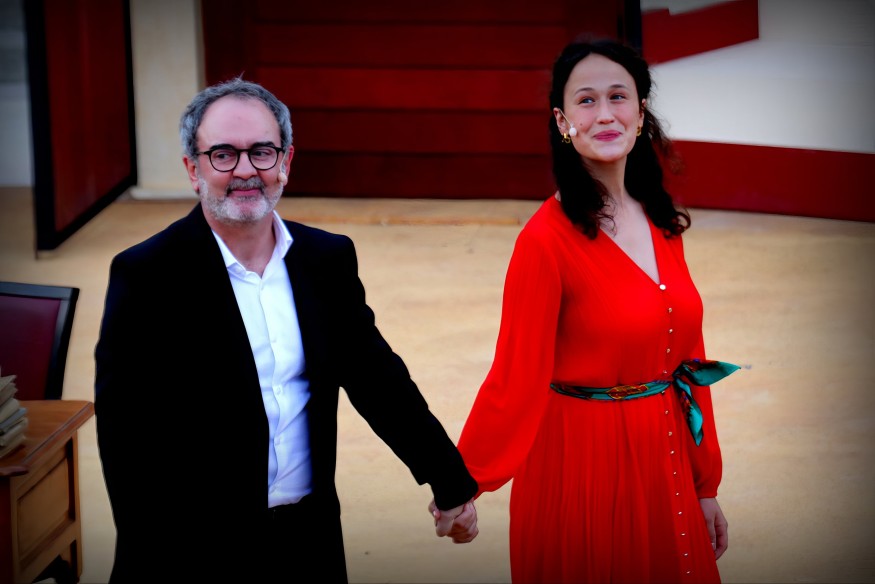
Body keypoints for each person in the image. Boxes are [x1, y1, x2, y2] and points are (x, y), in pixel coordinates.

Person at [94, 77, 478, 583]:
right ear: (193, 169)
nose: (246, 170)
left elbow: (378, 380)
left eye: (262, 152)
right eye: (223, 155)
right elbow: (124, 438)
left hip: (307, 542)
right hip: (193, 549)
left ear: (286, 161)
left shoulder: (325, 259)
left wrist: (450, 482)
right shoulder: (147, 275)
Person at [441, 38, 740, 582]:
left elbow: (688, 361)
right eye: (586, 100)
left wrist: (705, 485)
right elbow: (514, 377)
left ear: (641, 113)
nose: (604, 114)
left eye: (618, 97)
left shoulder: (660, 220)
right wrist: (463, 483)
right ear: (562, 121)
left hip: (665, 460)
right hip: (580, 468)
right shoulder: (544, 242)